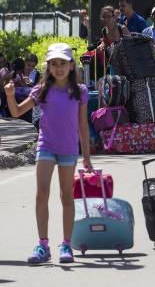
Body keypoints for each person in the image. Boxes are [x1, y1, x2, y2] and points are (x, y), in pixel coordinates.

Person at [3, 43, 91, 264]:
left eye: (63, 63)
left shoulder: (79, 91)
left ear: (71, 66)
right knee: (41, 194)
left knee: (66, 196)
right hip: (46, 147)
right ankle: (43, 244)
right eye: (54, 64)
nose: (59, 68)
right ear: (48, 67)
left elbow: (82, 125)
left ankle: (66, 245)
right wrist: (10, 95)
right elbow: (15, 112)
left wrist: (87, 157)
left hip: (69, 150)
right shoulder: (41, 90)